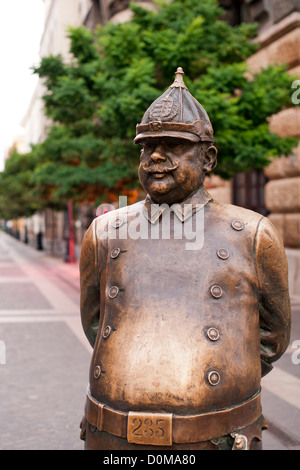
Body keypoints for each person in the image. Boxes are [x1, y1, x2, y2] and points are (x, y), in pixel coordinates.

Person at [79, 68, 291, 450]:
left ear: (208, 157)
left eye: (173, 145)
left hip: (218, 434)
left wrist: (228, 375)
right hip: (110, 434)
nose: (155, 156)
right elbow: (96, 323)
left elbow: (272, 336)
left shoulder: (252, 233)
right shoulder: (104, 231)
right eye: (146, 147)